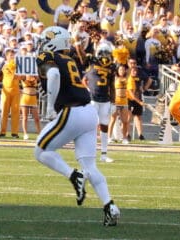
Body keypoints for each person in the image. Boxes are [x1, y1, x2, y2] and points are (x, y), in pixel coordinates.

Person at [34, 26, 120, 226]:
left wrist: (49, 107)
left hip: (72, 112)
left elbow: (54, 75)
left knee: (40, 151)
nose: (42, 44)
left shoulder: (49, 56)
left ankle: (73, 175)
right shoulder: (69, 59)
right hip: (89, 112)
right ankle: (109, 206)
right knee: (90, 165)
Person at [82, 44, 116, 163]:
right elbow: (84, 80)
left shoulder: (112, 66)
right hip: (93, 98)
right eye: (105, 53)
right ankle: (89, 152)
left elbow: (112, 85)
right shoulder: (92, 62)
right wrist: (87, 89)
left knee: (104, 125)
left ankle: (103, 154)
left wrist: (113, 101)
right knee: (91, 125)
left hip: (105, 99)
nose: (106, 56)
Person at [0, 48, 21, 138]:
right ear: (6, 56)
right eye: (10, 55)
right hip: (6, 91)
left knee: (15, 111)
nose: (12, 56)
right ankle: (3, 131)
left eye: (13, 55)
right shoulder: (2, 64)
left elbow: (23, 77)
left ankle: (15, 132)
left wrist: (18, 76)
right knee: (4, 111)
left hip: (16, 91)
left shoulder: (17, 64)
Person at [108, 64, 130, 144]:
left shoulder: (127, 78)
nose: (122, 71)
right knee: (112, 120)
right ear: (117, 70)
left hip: (124, 102)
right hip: (116, 102)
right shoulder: (114, 78)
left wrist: (125, 59)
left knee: (125, 121)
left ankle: (124, 138)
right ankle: (109, 137)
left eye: (123, 69)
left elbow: (130, 70)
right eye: (120, 69)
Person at [20, 75, 41, 140]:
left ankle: (39, 134)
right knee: (25, 118)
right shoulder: (24, 76)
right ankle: (25, 134)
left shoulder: (35, 76)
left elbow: (42, 77)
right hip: (25, 98)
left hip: (33, 98)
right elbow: (18, 77)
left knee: (37, 118)